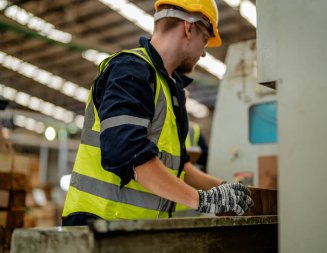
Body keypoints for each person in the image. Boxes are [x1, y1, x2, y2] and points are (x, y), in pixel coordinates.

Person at [62, 0, 253, 225]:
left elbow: (177, 166)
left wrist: (220, 188)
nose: (203, 53)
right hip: (99, 224)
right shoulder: (130, 71)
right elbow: (130, 155)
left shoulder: (170, 90)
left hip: (136, 228)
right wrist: (201, 200)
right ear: (189, 28)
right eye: (206, 40)